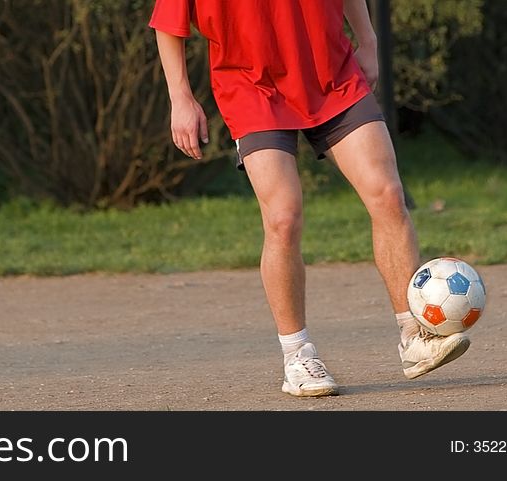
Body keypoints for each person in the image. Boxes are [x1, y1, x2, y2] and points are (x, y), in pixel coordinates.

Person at [149, 0, 470, 397]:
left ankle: (414, 334)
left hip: (333, 74)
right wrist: (180, 97)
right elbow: (168, 21)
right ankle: (297, 353)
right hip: (251, 87)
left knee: (387, 194)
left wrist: (367, 40)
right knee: (284, 217)